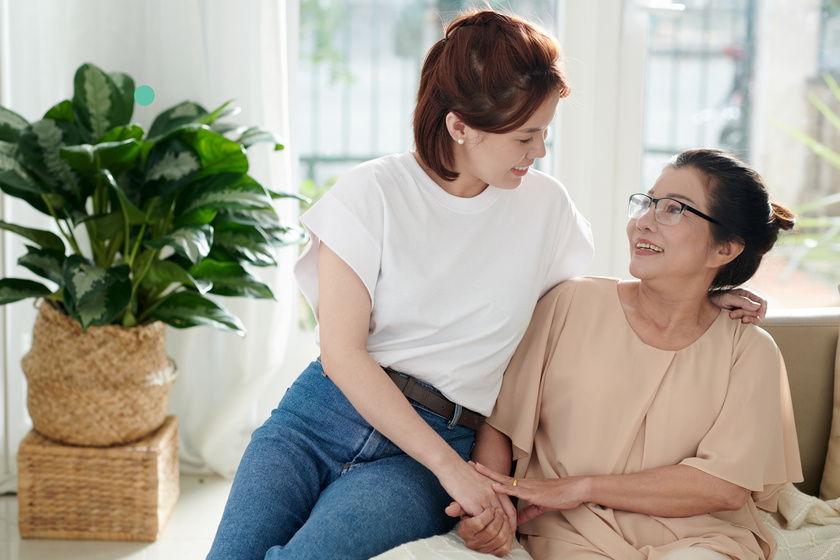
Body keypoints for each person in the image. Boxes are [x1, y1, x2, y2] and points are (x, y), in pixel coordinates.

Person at [206, 10, 767, 560]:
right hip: (321, 416)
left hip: (431, 447)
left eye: (545, 133)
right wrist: (457, 476)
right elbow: (344, 355)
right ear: (460, 126)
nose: (540, 152)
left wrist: (701, 288)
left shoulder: (548, 209)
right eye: (526, 136)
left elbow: (584, 304)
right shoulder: (369, 193)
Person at [458, 148, 801, 560]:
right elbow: (500, 424)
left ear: (724, 249)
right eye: (647, 202)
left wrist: (580, 486)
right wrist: (493, 509)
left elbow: (722, 487)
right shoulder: (571, 303)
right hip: (569, 535)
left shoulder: (749, 350)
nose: (644, 221)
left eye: (674, 209)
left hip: (701, 539)